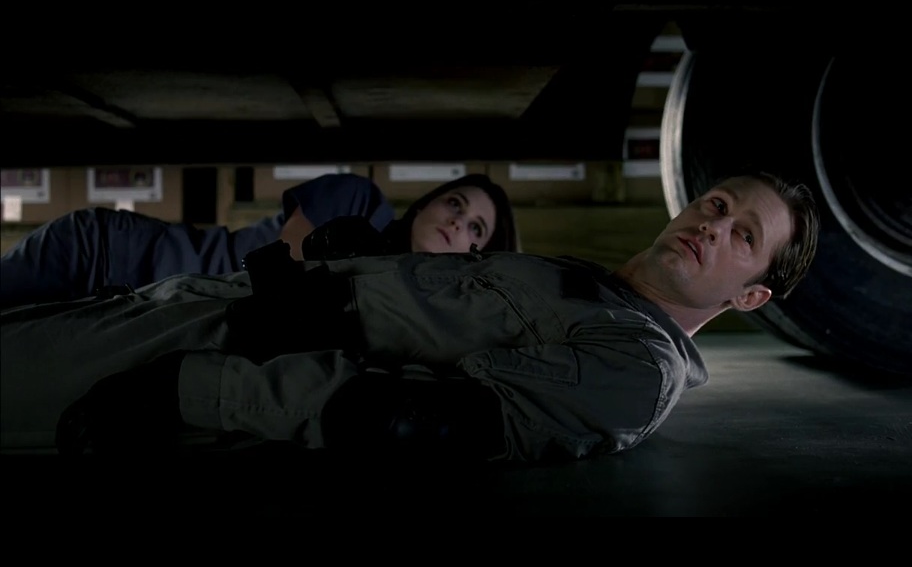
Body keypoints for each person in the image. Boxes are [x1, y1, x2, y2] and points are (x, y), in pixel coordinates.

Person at [0, 171, 819, 463]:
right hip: (196, 308)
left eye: (743, 236)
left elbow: (416, 421)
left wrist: (189, 391)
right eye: (717, 204)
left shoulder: (639, 366)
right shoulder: (591, 284)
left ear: (752, 296)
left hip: (205, 360)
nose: (713, 226)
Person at [0, 172, 518, 308]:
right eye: (455, 203)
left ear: (477, 253)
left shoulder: (409, 300)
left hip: (129, 312)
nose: (458, 222)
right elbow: (279, 273)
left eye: (476, 227)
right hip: (109, 256)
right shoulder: (362, 201)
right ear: (425, 203)